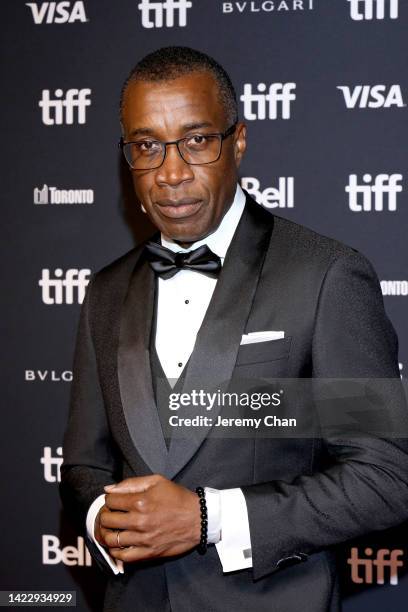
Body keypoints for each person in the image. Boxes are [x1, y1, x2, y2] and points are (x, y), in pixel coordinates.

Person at [60, 46, 408, 612]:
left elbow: (386, 477)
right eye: (147, 146)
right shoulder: (105, 292)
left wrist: (206, 519)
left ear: (237, 141)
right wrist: (104, 517)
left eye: (196, 140)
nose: (171, 173)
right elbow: (84, 464)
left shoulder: (325, 275)